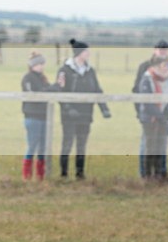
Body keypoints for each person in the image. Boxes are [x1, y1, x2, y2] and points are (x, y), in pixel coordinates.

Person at [56, 39, 111, 179]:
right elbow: (60, 92)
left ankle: (80, 173)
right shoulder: (64, 70)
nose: (88, 53)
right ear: (79, 53)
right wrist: (68, 108)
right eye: (86, 51)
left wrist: (104, 108)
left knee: (81, 145)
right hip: (69, 116)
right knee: (67, 143)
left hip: (86, 114)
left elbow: (97, 90)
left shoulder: (90, 71)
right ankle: (64, 174)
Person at [132, 40, 168, 177]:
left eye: (165, 50)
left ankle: (161, 172)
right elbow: (137, 90)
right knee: (147, 144)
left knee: (162, 143)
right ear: (155, 50)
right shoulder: (145, 67)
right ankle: (145, 173)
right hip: (149, 113)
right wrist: (139, 110)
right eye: (160, 49)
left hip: (165, 112)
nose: (162, 52)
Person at [20, 51, 64, 181]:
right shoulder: (27, 78)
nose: (41, 66)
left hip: (44, 117)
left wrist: (58, 86)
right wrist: (55, 87)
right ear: (32, 65)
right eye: (38, 64)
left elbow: (50, 91)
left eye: (42, 64)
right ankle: (27, 176)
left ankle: (40, 176)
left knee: (43, 147)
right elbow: (35, 94)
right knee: (32, 145)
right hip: (32, 116)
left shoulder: (43, 79)